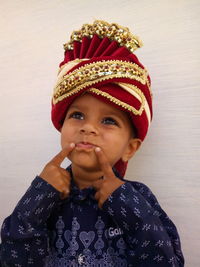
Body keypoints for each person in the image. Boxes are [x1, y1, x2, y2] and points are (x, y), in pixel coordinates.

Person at [0, 20, 184, 266]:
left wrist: (124, 203)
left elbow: (166, 262)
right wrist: (38, 198)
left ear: (130, 148)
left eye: (108, 120)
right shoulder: (44, 198)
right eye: (77, 115)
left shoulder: (138, 198)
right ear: (62, 125)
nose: (88, 127)